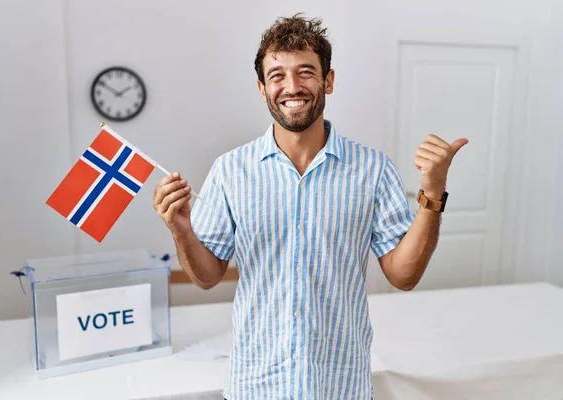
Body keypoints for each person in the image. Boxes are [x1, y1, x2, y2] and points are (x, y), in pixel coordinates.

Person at [153, 13, 467, 400]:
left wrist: (433, 195)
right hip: (257, 384)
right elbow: (206, 276)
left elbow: (404, 276)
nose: (292, 86)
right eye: (277, 75)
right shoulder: (230, 171)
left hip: (340, 384)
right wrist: (180, 228)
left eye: (306, 72)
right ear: (262, 88)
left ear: (328, 81)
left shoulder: (372, 169)